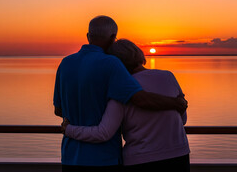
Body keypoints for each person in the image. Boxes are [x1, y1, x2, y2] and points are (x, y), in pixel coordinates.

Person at [53, 16, 187, 172]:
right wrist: (177, 103)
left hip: (70, 156)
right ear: (112, 38)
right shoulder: (111, 63)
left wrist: (69, 126)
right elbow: (140, 99)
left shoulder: (65, 63)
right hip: (104, 158)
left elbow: (59, 110)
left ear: (88, 36)